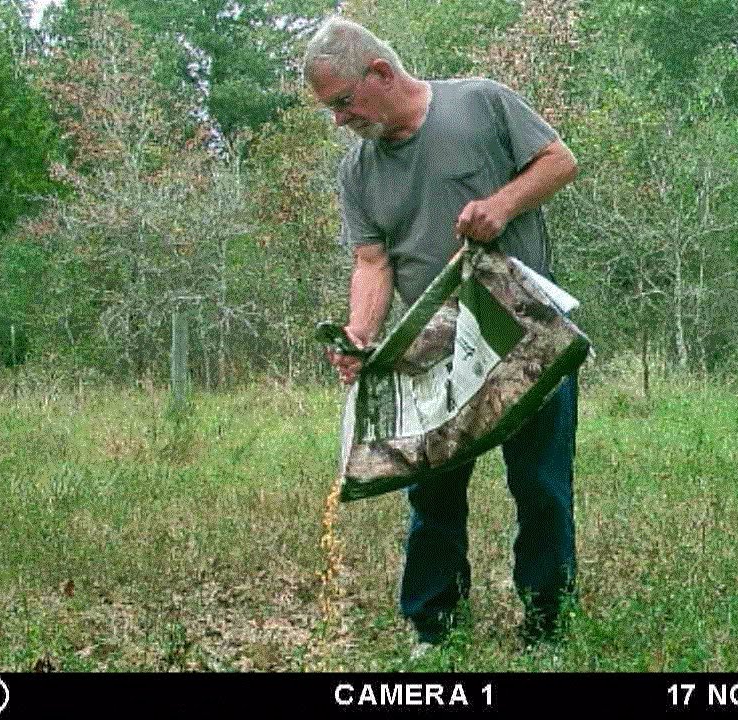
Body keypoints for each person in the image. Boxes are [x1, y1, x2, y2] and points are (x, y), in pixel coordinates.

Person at [304, 16, 580, 651]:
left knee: (539, 486)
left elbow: (560, 161)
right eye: (330, 110)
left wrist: (502, 205)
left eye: (343, 102)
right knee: (433, 492)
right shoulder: (358, 172)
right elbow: (372, 263)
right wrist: (360, 338)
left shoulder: (480, 103)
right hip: (435, 348)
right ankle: (434, 630)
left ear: (380, 73)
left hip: (523, 335)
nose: (339, 120)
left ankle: (548, 629)